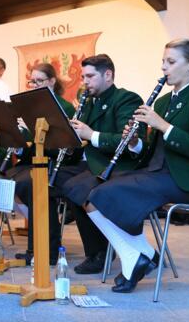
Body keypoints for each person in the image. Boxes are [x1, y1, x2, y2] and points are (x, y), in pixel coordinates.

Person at [67, 39, 189, 293]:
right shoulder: (163, 102)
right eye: (163, 61)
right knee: (92, 192)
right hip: (156, 172)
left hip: (186, 180)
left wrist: (163, 125)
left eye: (171, 62)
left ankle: (139, 257)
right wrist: (134, 143)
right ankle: (136, 254)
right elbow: (149, 150)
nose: (164, 67)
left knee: (105, 193)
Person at [50, 55, 144, 274]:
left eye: (90, 76)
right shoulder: (89, 101)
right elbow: (80, 139)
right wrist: (69, 137)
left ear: (108, 75)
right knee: (46, 181)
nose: (85, 82)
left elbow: (125, 141)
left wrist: (90, 134)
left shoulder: (126, 99)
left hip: (115, 166)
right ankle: (48, 248)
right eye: (83, 77)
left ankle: (99, 252)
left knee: (76, 188)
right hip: (88, 163)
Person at [6, 63, 76, 265]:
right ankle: (37, 244)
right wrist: (19, 144)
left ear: (52, 81)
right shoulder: (31, 108)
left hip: (55, 162)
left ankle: (47, 249)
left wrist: (33, 135)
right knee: (7, 180)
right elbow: (30, 144)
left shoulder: (64, 107)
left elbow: (61, 145)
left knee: (31, 184)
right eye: (32, 81)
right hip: (34, 160)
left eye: (39, 81)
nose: (34, 85)